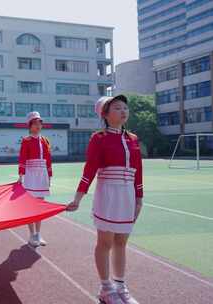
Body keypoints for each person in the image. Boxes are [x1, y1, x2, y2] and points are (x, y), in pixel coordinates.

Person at [67, 95, 143, 304]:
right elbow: (90, 169)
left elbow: (138, 171)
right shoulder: (98, 138)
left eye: (125, 108)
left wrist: (139, 198)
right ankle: (105, 288)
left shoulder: (133, 139)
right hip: (108, 193)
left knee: (121, 242)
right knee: (105, 241)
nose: (123, 111)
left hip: (127, 195)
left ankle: (120, 285)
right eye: (117, 108)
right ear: (105, 115)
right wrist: (78, 197)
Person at [18, 111, 52, 248]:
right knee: (30, 206)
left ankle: (38, 234)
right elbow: (22, 159)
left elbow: (48, 160)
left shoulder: (45, 141)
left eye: (40, 123)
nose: (38, 126)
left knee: (39, 205)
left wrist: (49, 175)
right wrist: (21, 175)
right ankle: (32, 235)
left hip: (42, 174)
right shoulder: (26, 141)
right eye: (35, 123)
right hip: (31, 175)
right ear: (30, 125)